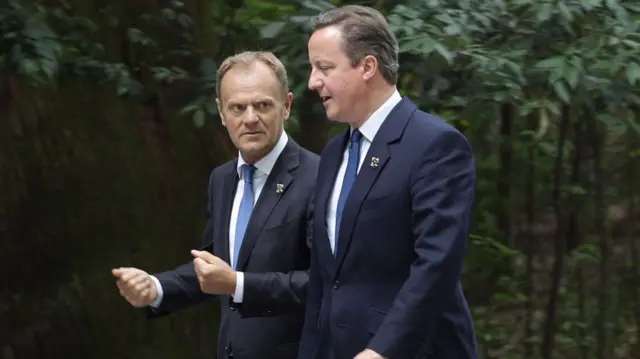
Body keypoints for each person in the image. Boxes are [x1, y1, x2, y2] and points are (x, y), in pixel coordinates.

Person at [112, 51, 319, 359]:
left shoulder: (320, 177)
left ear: (286, 106)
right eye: (237, 107)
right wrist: (155, 288)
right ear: (222, 112)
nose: (250, 118)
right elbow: (213, 267)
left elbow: (325, 284)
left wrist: (238, 283)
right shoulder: (222, 180)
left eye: (263, 105)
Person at [298, 5, 478, 359]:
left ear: (367, 67)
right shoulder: (334, 152)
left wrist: (382, 350)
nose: (312, 81)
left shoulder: (436, 144)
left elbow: (436, 266)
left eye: (324, 68)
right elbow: (324, 276)